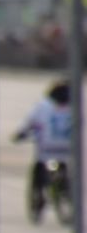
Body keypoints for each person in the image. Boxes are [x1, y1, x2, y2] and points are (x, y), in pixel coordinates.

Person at [14, 81, 73, 217]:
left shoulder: (42, 106)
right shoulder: (75, 107)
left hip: (46, 149)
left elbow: (29, 123)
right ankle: (66, 190)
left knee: (38, 169)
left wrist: (20, 135)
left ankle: (38, 197)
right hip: (67, 149)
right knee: (64, 165)